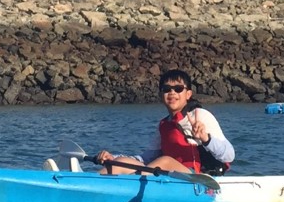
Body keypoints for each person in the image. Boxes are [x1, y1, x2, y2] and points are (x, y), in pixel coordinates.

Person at [96, 69, 236, 175]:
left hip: (195, 179)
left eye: (178, 89)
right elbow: (147, 158)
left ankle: (128, 185)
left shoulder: (201, 116)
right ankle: (90, 185)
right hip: (167, 176)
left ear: (188, 94)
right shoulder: (164, 125)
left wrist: (206, 139)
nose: (172, 93)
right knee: (120, 163)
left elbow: (229, 156)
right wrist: (113, 157)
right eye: (166, 89)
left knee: (165, 161)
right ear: (161, 94)